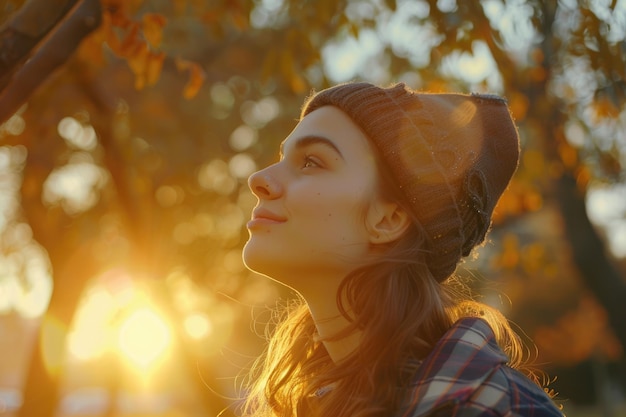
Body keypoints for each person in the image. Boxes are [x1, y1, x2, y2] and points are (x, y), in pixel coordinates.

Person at [239, 82, 564, 417]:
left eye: (310, 162)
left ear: (389, 219)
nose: (259, 179)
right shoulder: (320, 401)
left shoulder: (498, 410)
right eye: (282, 157)